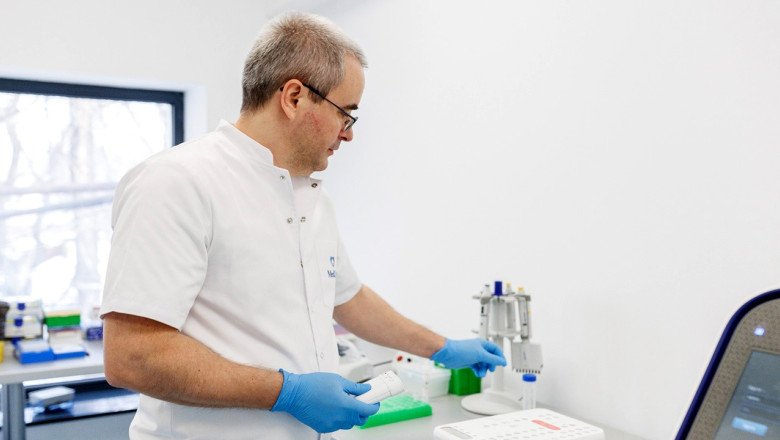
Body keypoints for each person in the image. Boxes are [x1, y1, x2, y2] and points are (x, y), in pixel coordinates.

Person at [100, 12, 506, 440]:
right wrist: (287, 392)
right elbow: (133, 356)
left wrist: (441, 347)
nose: (348, 134)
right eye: (345, 114)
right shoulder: (175, 182)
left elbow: (349, 299)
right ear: (294, 97)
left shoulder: (311, 198)